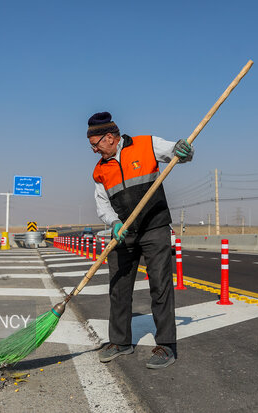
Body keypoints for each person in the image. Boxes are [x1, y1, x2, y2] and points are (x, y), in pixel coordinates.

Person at [88, 111, 193, 369]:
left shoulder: (146, 144)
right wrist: (113, 223)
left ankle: (166, 345)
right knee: (119, 288)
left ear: (110, 138)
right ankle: (121, 342)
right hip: (124, 233)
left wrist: (184, 150)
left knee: (160, 285)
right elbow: (102, 204)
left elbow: (178, 154)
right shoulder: (100, 170)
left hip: (154, 228)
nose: (93, 151)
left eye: (95, 145)